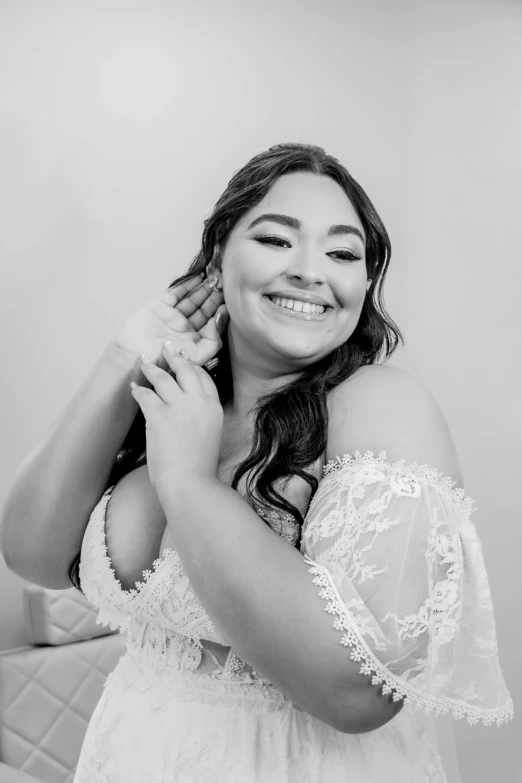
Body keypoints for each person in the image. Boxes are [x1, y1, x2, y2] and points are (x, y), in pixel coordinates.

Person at [0, 143, 513, 782]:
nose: (310, 271)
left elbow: (359, 691)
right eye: (277, 240)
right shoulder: (183, 403)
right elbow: (32, 553)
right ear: (218, 258)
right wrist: (123, 357)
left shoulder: (379, 404)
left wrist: (186, 481)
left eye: (343, 253)